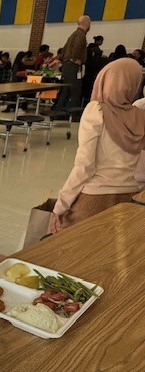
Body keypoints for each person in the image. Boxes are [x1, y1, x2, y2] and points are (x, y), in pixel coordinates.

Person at [49, 59, 145, 233]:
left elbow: (84, 166)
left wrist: (61, 204)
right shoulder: (140, 116)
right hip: (129, 197)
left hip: (94, 199)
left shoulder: (96, 110)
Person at [53, 15, 91, 111]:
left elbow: (64, 50)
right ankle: (73, 114)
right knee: (75, 91)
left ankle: (58, 112)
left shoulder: (73, 34)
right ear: (86, 23)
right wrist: (74, 59)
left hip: (67, 66)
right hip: (73, 67)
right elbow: (76, 48)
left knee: (65, 91)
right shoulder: (80, 35)